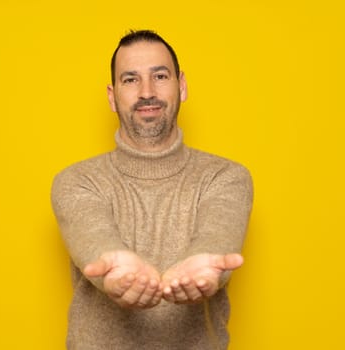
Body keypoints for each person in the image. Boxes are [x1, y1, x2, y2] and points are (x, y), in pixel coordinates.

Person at [51, 30, 253, 350]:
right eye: (130, 80)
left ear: (181, 85)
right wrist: (115, 270)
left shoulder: (227, 177)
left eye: (159, 75)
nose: (147, 92)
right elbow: (94, 239)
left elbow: (217, 237)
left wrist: (204, 264)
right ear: (111, 96)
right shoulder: (76, 181)